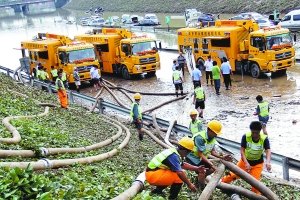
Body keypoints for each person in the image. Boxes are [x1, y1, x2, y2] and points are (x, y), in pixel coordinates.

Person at [221, 121, 271, 194]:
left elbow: (268, 151)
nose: (254, 135)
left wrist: (268, 162)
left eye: (256, 133)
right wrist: (246, 163)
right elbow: (242, 150)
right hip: (244, 161)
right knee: (232, 175)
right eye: (252, 132)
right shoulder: (246, 136)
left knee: (255, 184)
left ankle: (255, 197)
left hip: (257, 164)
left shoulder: (264, 139)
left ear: (259, 131)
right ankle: (221, 184)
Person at [186, 120, 232, 187]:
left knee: (211, 169)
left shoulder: (212, 138)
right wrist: (211, 164)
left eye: (217, 133)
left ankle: (199, 179)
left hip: (201, 158)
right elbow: (200, 154)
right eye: (215, 133)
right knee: (203, 171)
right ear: (209, 130)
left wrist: (222, 157)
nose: (216, 135)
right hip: (192, 157)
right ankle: (201, 187)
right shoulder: (200, 137)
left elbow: (212, 152)